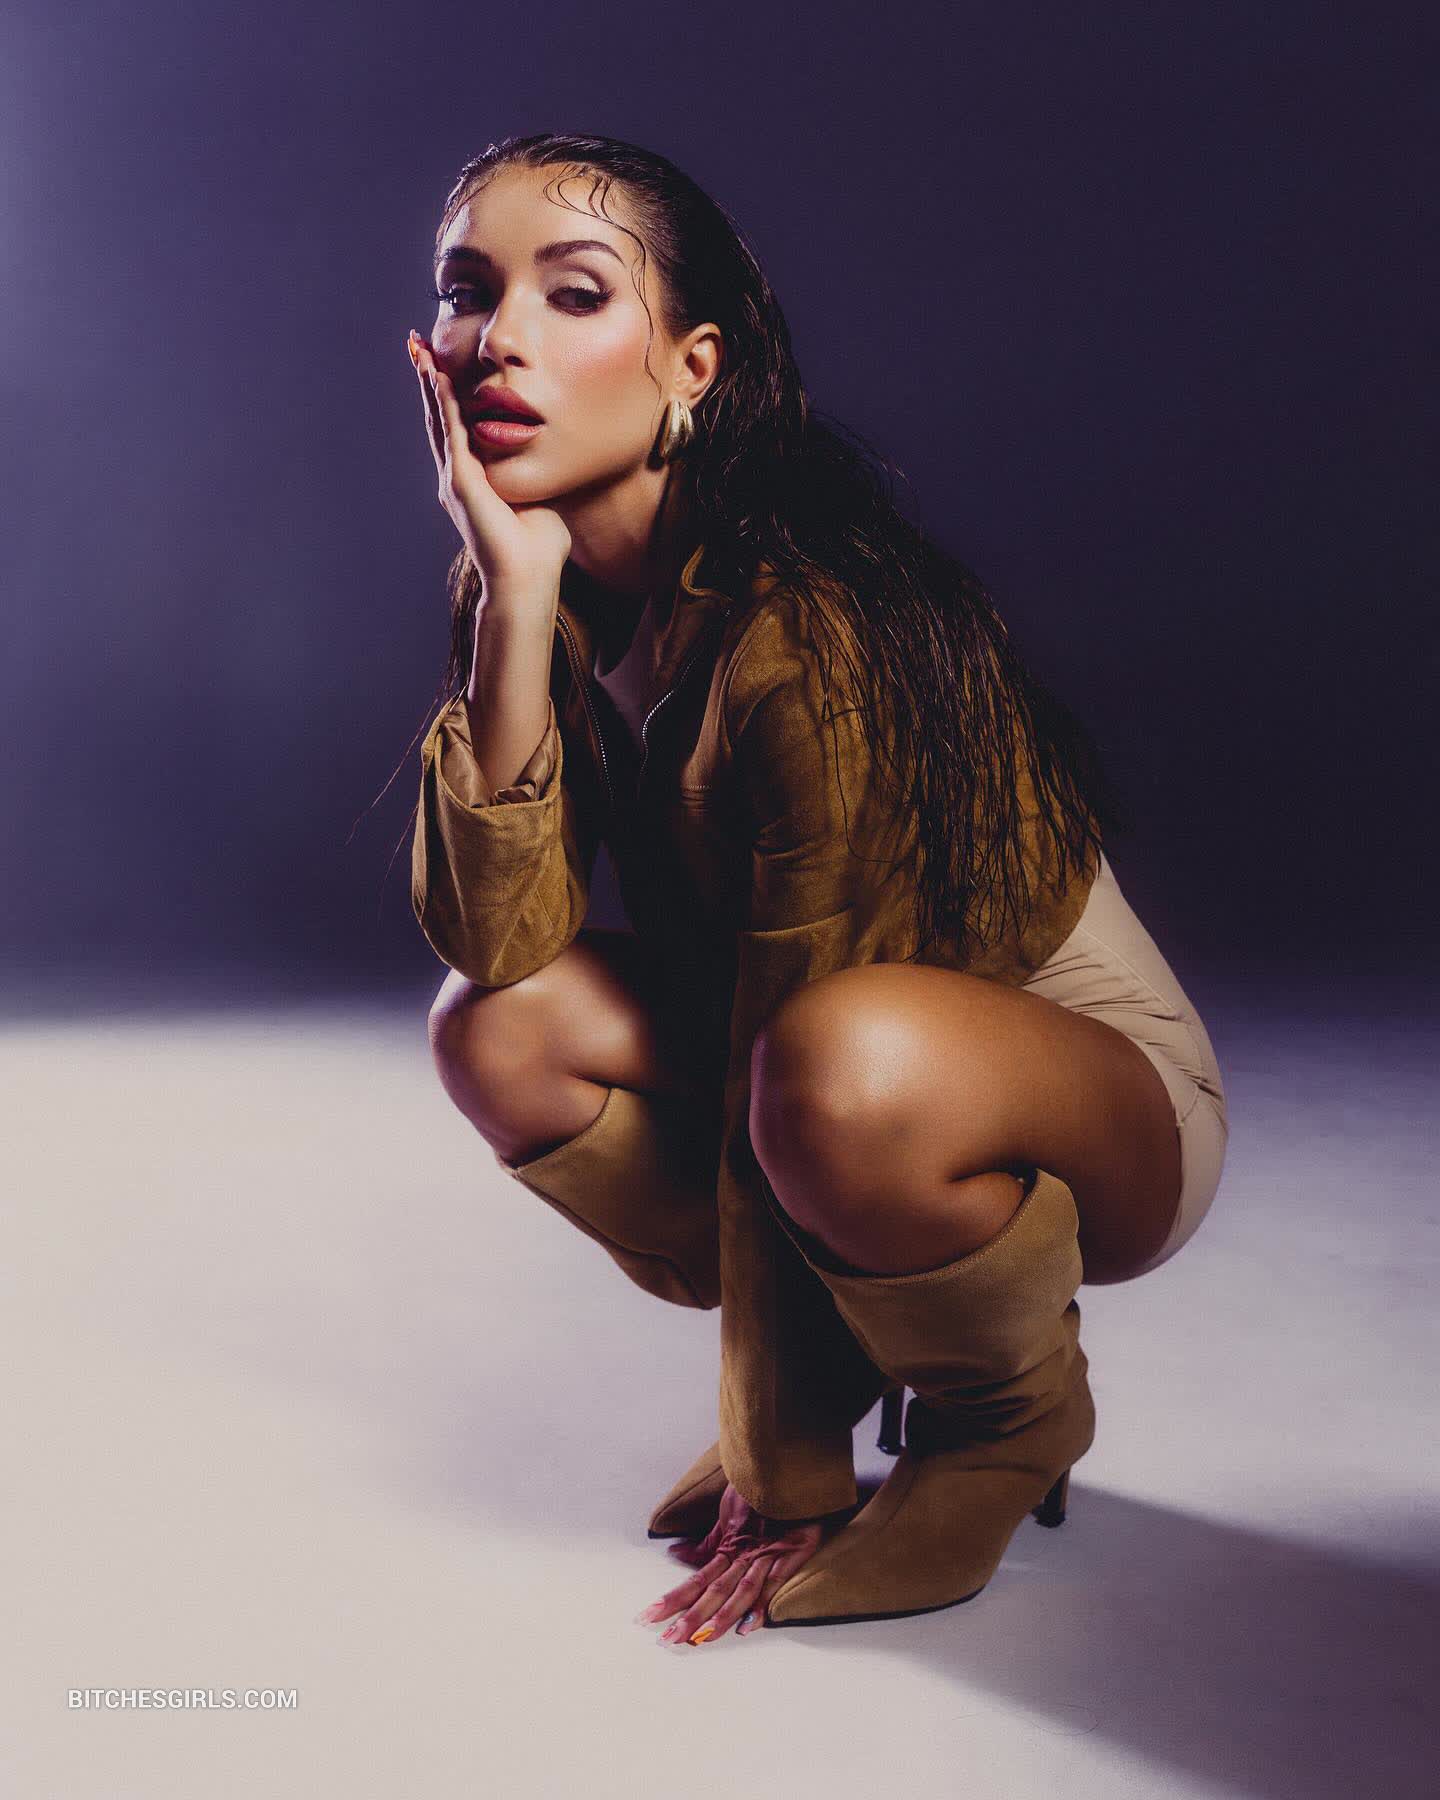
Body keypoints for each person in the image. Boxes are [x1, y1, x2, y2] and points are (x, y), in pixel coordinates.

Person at [405, 133, 1228, 1646]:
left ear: (694, 365)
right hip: (808, 1064)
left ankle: (1005, 1419)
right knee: (496, 1026)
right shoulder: (535, 579)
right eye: (467, 292)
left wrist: (779, 1472)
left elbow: (810, 1027)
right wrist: (514, 604)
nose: (497, 339)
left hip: (1092, 1107)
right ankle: (846, 1356)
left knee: (831, 1063)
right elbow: (498, 938)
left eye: (573, 294)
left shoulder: (812, 634)